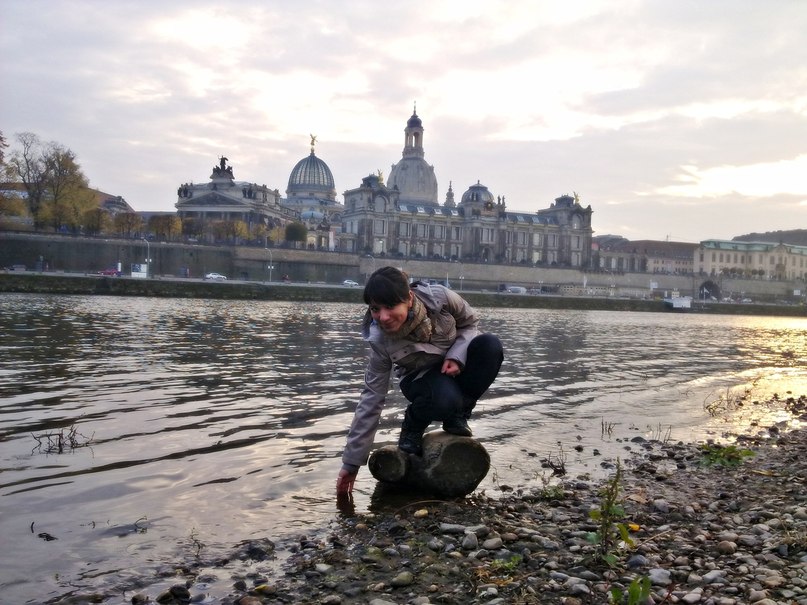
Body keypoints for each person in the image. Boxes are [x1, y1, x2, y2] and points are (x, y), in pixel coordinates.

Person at [336, 266, 503, 494]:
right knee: (444, 399)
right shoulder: (380, 341)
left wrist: (457, 356)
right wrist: (351, 463)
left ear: (409, 298)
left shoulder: (440, 297)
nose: (383, 317)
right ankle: (412, 426)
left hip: (454, 365)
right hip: (419, 378)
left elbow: (470, 323)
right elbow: (372, 398)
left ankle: (459, 416)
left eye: (390, 306)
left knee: (490, 346)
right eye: (375, 309)